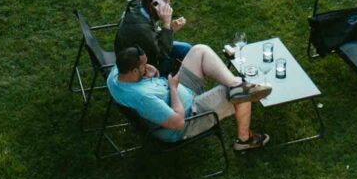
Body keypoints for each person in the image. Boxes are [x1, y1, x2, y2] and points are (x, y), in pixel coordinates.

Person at [109, 43, 269, 150]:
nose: (147, 67)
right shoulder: (143, 98)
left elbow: (144, 78)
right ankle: (244, 140)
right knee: (238, 95)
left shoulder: (116, 74)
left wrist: (153, 73)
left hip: (179, 90)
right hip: (189, 117)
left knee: (200, 50)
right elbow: (178, 123)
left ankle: (236, 85)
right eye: (143, 66)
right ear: (134, 71)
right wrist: (172, 88)